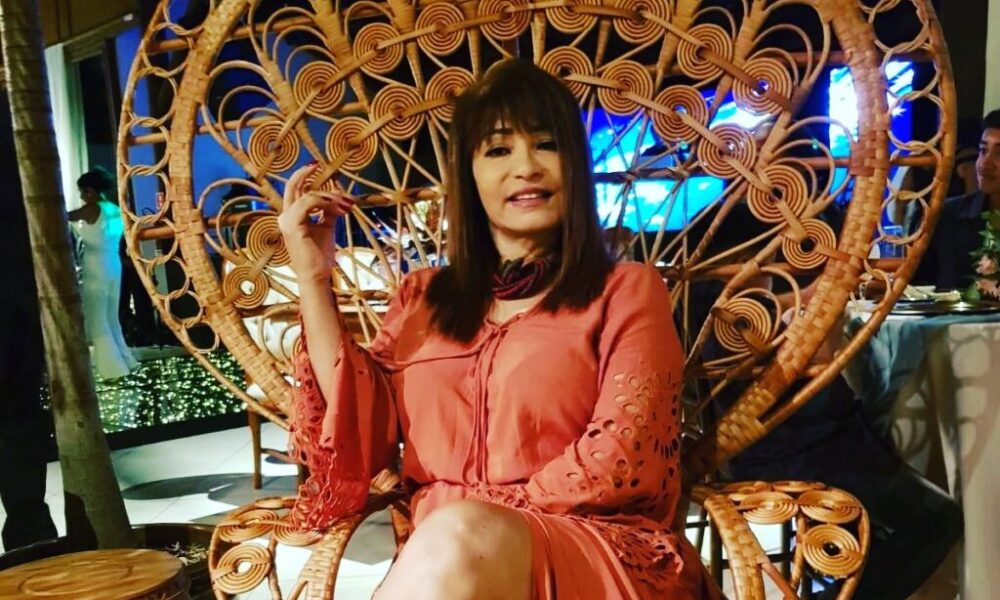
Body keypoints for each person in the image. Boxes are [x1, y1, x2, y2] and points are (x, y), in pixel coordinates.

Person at [278, 59, 712, 599]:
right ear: (469, 174)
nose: (526, 167)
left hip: (593, 548)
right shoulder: (421, 298)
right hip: (451, 562)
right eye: (499, 150)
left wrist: (474, 514)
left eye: (546, 145)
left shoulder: (626, 290)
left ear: (575, 166)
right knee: (455, 543)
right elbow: (361, 432)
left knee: (458, 536)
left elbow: (621, 454)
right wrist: (314, 280)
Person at [912, 109, 1000, 289]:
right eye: (983, 151)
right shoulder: (945, 218)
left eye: (999, 154)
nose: (985, 163)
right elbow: (915, 289)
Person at [69, 167, 139, 380]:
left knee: (98, 318)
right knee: (111, 317)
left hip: (96, 265)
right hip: (113, 263)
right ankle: (126, 360)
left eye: (82, 192)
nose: (81, 196)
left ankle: (112, 369)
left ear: (90, 191)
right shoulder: (114, 208)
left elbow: (63, 216)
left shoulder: (91, 209)